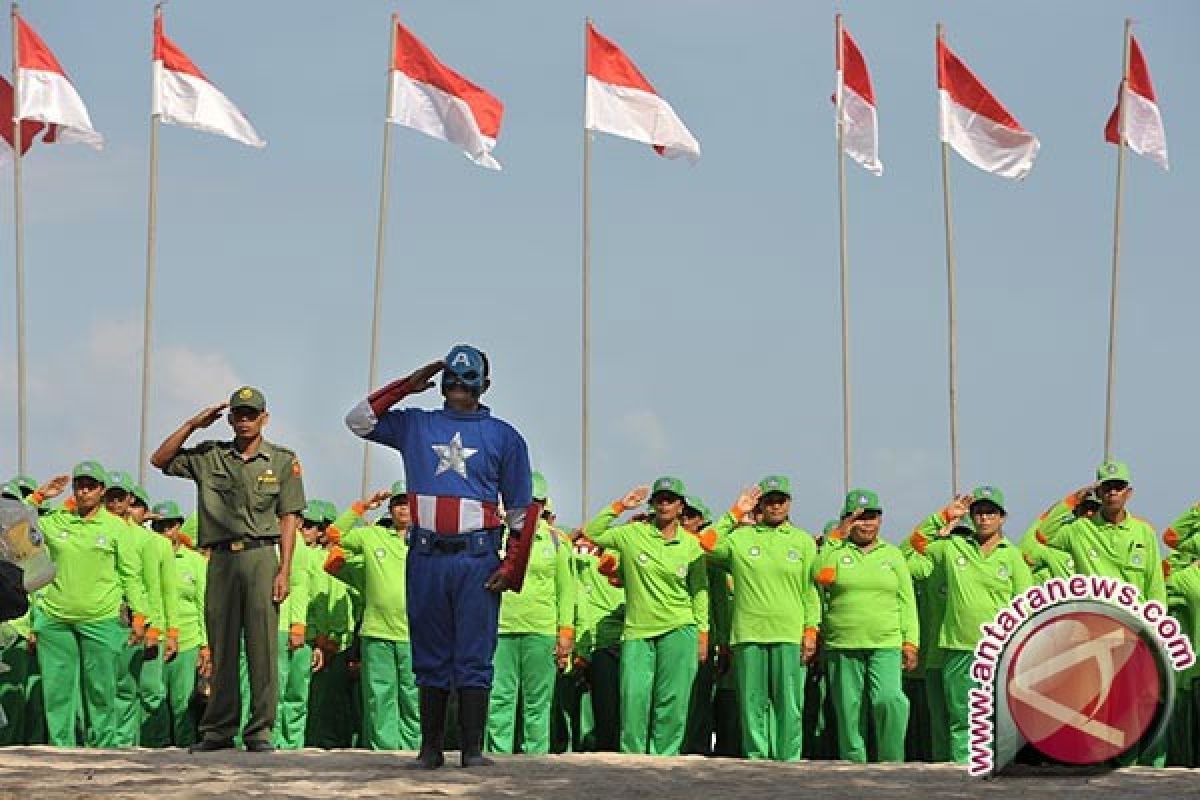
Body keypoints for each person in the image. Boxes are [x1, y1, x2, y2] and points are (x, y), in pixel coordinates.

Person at [345, 345, 540, 769]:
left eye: (467, 379)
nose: (457, 385)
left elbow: (522, 512)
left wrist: (512, 563)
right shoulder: (416, 424)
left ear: (485, 385)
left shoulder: (505, 437)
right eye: (450, 377)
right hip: (428, 555)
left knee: (474, 653)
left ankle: (472, 750)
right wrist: (405, 386)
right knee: (430, 651)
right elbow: (358, 421)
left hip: (478, 558)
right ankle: (430, 748)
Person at [152, 386, 306, 753]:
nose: (245, 421)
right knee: (221, 646)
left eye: (251, 414)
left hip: (260, 557)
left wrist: (284, 570)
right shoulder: (211, 456)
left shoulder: (283, 461)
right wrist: (193, 424)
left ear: (264, 418)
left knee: (262, 647)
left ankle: (259, 731)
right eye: (238, 414)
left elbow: (289, 517)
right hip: (220, 558)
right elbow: (160, 460)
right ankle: (219, 730)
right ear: (229, 418)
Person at [1037, 460, 1166, 766]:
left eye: (1118, 488)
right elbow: (1042, 535)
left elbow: (1155, 586)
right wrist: (1073, 500)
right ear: (1098, 491)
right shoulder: (1080, 530)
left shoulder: (1143, 533)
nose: (1112, 494)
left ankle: (1130, 766)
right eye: (1106, 488)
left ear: (1129, 492)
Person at [583, 476, 709, 756]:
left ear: (681, 507)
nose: (665, 504)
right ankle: (634, 757)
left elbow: (700, 591)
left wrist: (702, 632)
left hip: (679, 627)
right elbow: (593, 532)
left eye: (671, 500)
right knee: (634, 697)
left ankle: (664, 756)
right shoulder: (632, 535)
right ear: (652, 504)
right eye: (660, 499)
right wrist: (620, 506)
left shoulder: (691, 544)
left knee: (672, 699)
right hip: (638, 630)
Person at [907, 487, 1032, 764]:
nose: (984, 518)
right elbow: (912, 547)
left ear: (1002, 517)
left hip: (998, 649)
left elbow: (1024, 606)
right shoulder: (953, 548)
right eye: (979, 513)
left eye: (991, 513)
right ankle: (961, 774)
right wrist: (944, 517)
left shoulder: (1012, 556)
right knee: (961, 717)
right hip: (958, 646)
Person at [704, 477, 820, 762]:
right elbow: (705, 544)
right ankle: (758, 756)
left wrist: (811, 630)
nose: (775, 506)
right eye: (769, 501)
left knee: (788, 702)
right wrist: (734, 513)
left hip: (788, 632)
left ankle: (788, 758)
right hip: (749, 632)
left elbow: (811, 591)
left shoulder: (803, 541)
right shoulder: (740, 539)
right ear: (759, 505)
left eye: (781, 500)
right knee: (752, 702)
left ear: (789, 503)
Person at [28, 463, 143, 746]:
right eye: (80, 484)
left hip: (100, 618)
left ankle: (103, 748)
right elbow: (12, 525)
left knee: (101, 689)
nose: (85, 490)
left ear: (101, 491)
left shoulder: (116, 528)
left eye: (91, 485)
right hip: (55, 617)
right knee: (57, 690)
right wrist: (38, 497)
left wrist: (140, 615)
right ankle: (61, 747)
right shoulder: (56, 521)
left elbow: (131, 574)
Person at [813, 489, 917, 763]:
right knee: (849, 708)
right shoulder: (835, 552)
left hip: (885, 641)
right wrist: (835, 539)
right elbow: (819, 576)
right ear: (846, 521)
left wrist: (911, 641)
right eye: (859, 518)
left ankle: (892, 759)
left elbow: (907, 602)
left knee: (890, 700)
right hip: (844, 642)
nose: (866, 524)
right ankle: (854, 761)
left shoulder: (893, 555)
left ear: (881, 520)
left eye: (872, 517)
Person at [485, 471, 575, 755]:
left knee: (538, 700)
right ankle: (497, 756)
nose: (528, 508)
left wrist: (566, 632)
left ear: (544, 503)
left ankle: (536, 759)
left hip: (541, 630)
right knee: (500, 698)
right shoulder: (495, 538)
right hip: (501, 629)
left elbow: (566, 590)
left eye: (534, 501)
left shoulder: (556, 541)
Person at [150, 500, 210, 747]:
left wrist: (206, 646)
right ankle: (156, 747)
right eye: (159, 527)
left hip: (187, 640)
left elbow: (203, 605)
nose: (165, 532)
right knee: (154, 698)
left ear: (178, 527)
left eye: (169, 526)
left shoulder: (195, 562)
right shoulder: (148, 555)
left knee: (182, 702)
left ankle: (185, 748)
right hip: (156, 637)